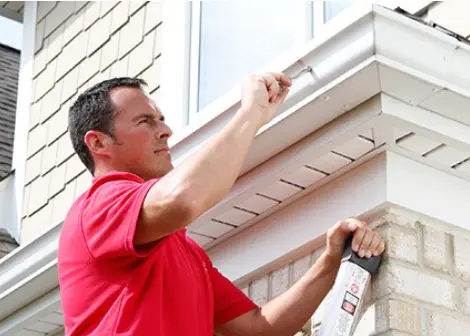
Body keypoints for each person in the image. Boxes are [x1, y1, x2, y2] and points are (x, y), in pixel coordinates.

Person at [57, 72, 386, 336]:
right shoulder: (97, 207)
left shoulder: (184, 253)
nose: (165, 131)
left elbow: (260, 328)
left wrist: (331, 260)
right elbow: (183, 199)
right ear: (98, 142)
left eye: (160, 119)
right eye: (145, 122)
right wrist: (251, 114)